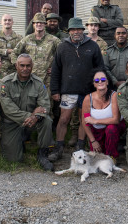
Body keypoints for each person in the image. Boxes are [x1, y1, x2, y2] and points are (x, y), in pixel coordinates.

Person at [50, 18, 104, 158]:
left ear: (83, 30)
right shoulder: (62, 47)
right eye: (73, 30)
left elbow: (100, 68)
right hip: (68, 90)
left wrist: (99, 88)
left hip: (87, 91)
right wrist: (55, 90)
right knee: (63, 119)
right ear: (69, 32)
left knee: (83, 120)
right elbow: (56, 70)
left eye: (78, 29)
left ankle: (80, 146)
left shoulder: (93, 46)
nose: (76, 32)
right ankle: (59, 147)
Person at [0, 54, 54, 171]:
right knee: (13, 159)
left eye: (28, 65)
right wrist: (31, 116)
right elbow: (9, 109)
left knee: (47, 121)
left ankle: (42, 154)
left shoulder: (38, 83)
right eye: (22, 65)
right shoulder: (5, 83)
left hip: (33, 122)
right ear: (16, 66)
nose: (25, 68)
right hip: (12, 122)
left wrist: (37, 116)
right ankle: (18, 139)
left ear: (32, 66)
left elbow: (45, 105)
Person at [81, 68, 126, 160]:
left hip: (113, 129)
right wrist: (93, 141)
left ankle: (112, 157)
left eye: (103, 79)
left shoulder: (114, 96)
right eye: (97, 80)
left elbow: (116, 120)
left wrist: (95, 121)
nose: (100, 82)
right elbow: (85, 122)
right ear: (93, 83)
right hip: (97, 132)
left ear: (107, 82)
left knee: (111, 129)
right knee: (96, 158)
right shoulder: (88, 99)